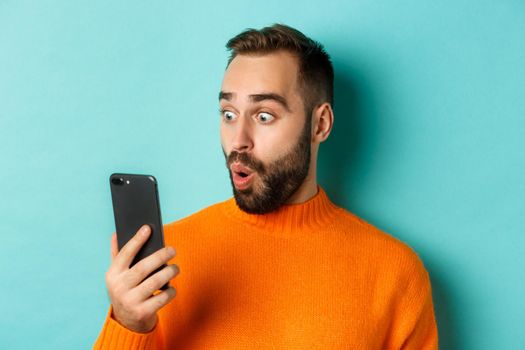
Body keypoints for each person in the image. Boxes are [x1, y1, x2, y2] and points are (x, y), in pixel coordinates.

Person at [94, 24, 438, 349]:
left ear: (320, 124)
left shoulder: (395, 274)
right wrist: (128, 325)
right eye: (229, 114)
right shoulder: (163, 262)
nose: (238, 141)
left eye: (264, 116)